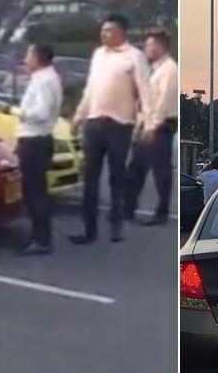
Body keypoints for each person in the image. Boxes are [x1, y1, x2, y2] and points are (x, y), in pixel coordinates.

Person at [70, 14, 151, 244]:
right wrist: (78, 117)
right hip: (94, 123)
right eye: (103, 30)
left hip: (119, 126)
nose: (104, 34)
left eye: (109, 30)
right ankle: (89, 229)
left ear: (121, 32)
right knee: (90, 177)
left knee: (116, 178)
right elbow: (90, 90)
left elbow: (145, 93)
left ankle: (116, 224)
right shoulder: (98, 55)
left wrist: (146, 122)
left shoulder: (134, 57)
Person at [124, 28, 178, 225]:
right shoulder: (155, 69)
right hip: (148, 126)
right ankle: (127, 209)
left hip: (159, 127)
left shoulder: (170, 70)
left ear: (161, 46)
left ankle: (161, 212)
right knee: (136, 170)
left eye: (150, 44)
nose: (147, 48)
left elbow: (163, 102)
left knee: (160, 173)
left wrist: (153, 127)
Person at [15, 43, 63, 256]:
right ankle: (38, 235)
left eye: (28, 55)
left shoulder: (43, 80)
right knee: (35, 190)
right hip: (38, 139)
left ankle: (42, 239)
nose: (25, 60)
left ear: (37, 58)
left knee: (35, 192)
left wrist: (22, 113)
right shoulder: (47, 77)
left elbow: (42, 112)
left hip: (35, 140)